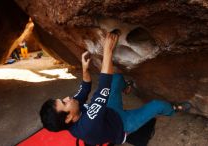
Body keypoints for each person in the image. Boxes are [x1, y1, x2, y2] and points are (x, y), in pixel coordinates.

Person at [40, 31, 191, 145]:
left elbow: (85, 87)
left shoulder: (74, 109)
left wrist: (85, 69)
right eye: (64, 103)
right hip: (122, 125)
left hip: (109, 111)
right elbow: (103, 88)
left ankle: (125, 89)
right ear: (68, 118)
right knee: (158, 105)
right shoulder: (87, 126)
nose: (68, 98)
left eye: (63, 99)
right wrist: (108, 52)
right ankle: (173, 109)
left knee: (117, 79)